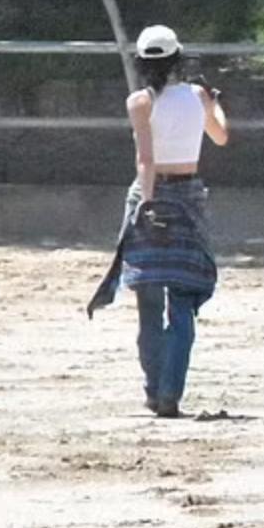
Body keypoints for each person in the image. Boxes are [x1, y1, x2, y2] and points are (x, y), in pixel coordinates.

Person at [87, 24, 229, 418]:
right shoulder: (198, 96)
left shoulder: (139, 102)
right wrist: (214, 103)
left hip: (149, 192)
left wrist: (147, 204)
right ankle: (171, 393)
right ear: (178, 58)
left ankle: (153, 390)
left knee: (147, 301)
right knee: (182, 300)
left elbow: (145, 160)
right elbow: (220, 136)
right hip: (187, 196)